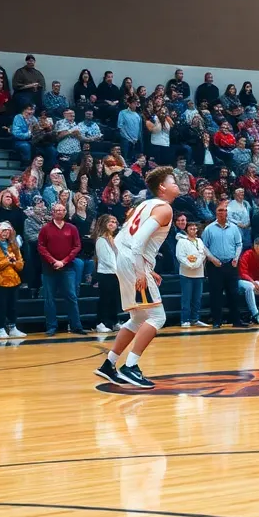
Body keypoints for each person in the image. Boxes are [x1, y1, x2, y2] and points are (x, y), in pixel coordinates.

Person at [94, 167, 176, 390]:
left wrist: (144, 267)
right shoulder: (165, 208)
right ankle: (131, 366)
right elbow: (139, 240)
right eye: (173, 181)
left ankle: (109, 364)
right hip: (133, 260)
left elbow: (124, 234)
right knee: (157, 317)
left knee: (138, 318)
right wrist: (140, 270)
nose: (177, 184)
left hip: (125, 258)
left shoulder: (144, 204)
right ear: (162, 187)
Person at [38, 202, 86, 336]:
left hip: (68, 267)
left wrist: (64, 262)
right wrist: (53, 261)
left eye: (62, 210)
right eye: (57, 210)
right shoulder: (45, 228)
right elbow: (41, 247)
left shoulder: (72, 228)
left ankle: (76, 326)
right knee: (49, 298)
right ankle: (52, 326)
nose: (59, 212)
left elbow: (77, 246)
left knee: (71, 296)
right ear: (52, 212)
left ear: (65, 212)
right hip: (49, 268)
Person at [203, 203, 246, 328]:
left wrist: (236, 258)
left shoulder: (234, 228)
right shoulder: (209, 229)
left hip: (231, 264)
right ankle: (217, 321)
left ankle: (236, 321)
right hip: (215, 266)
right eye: (220, 210)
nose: (223, 212)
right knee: (216, 294)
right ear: (216, 213)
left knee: (234, 293)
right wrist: (212, 258)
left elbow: (239, 244)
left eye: (225, 210)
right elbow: (204, 246)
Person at [0, 221, 26, 340]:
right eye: (3, 231)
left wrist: (14, 263)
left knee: (13, 306)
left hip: (14, 280)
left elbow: (20, 265)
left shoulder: (14, 246)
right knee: (0, 306)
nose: (6, 233)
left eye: (8, 231)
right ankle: (1, 328)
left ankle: (13, 327)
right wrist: (7, 261)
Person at [91, 215, 121, 334]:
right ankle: (101, 322)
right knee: (105, 299)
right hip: (106, 273)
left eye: (115, 222)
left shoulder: (113, 239)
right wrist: (117, 269)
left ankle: (114, 322)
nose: (113, 224)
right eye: (110, 221)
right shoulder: (101, 240)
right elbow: (106, 259)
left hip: (115, 273)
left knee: (114, 299)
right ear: (104, 223)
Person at [177, 221, 208, 327]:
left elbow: (203, 253)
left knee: (197, 298)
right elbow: (180, 256)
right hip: (186, 273)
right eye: (191, 229)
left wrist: (198, 263)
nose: (194, 231)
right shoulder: (182, 241)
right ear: (187, 230)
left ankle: (195, 319)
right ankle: (184, 320)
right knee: (186, 298)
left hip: (199, 273)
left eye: (195, 229)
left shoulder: (199, 241)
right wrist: (190, 265)